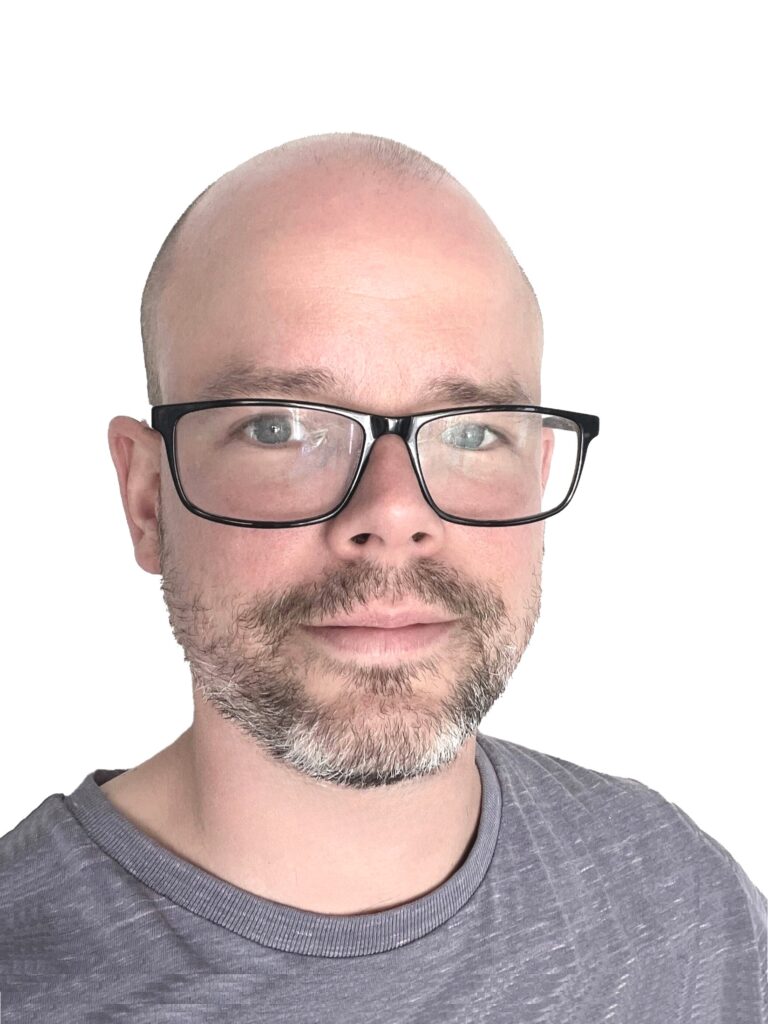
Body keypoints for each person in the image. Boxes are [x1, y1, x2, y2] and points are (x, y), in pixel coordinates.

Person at [1, 132, 765, 1023]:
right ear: (146, 500)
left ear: (536, 471)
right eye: (279, 428)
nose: (395, 511)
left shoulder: (680, 907)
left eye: (473, 432)